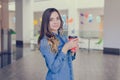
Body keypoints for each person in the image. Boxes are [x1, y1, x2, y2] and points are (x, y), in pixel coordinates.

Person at [38, 8, 79, 80]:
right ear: (46, 22)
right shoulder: (45, 42)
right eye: (51, 19)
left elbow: (67, 60)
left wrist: (73, 51)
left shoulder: (63, 37)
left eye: (57, 18)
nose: (55, 22)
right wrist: (65, 48)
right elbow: (54, 68)